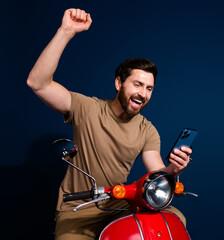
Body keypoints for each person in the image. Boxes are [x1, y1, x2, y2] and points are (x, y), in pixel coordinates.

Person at [27, 8, 192, 240]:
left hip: (119, 205)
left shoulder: (147, 130)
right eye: (137, 84)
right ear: (118, 83)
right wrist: (65, 31)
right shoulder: (87, 108)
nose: (143, 93)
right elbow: (38, 83)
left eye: (149, 88)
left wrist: (174, 169)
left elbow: (155, 173)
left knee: (174, 219)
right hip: (78, 211)